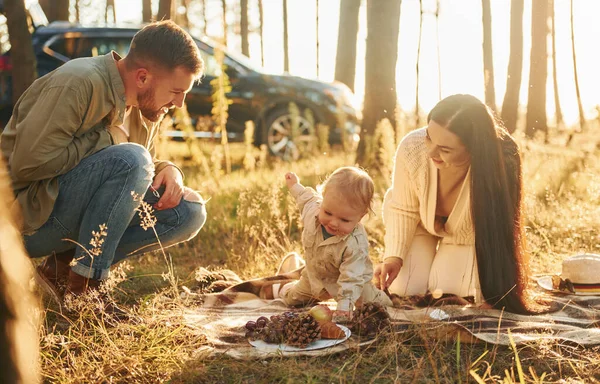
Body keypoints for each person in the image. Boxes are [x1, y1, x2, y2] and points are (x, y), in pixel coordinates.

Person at [0, 21, 207, 313]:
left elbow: (140, 163)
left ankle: (59, 270)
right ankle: (86, 293)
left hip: (67, 211)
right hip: (25, 219)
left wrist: (169, 168)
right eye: (176, 91)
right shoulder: (78, 82)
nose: (180, 103)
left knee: (189, 212)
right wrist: (107, 140)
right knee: (130, 160)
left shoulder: (144, 105)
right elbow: (28, 165)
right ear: (143, 77)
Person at [375, 94, 536, 314]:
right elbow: (403, 208)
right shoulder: (412, 146)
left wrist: (489, 292)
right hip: (417, 226)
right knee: (405, 289)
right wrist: (394, 256)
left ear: (474, 149)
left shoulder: (503, 159)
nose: (431, 151)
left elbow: (499, 230)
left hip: (465, 238)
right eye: (429, 137)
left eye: (445, 149)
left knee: (449, 293)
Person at [264, 167, 392, 322]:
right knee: (292, 299)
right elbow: (305, 198)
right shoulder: (313, 211)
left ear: (360, 217)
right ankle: (283, 288)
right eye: (328, 213)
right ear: (322, 199)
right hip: (314, 277)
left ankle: (386, 299)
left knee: (372, 306)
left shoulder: (355, 244)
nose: (333, 223)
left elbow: (351, 277)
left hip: (351, 284)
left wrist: (345, 306)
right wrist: (295, 185)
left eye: (344, 220)